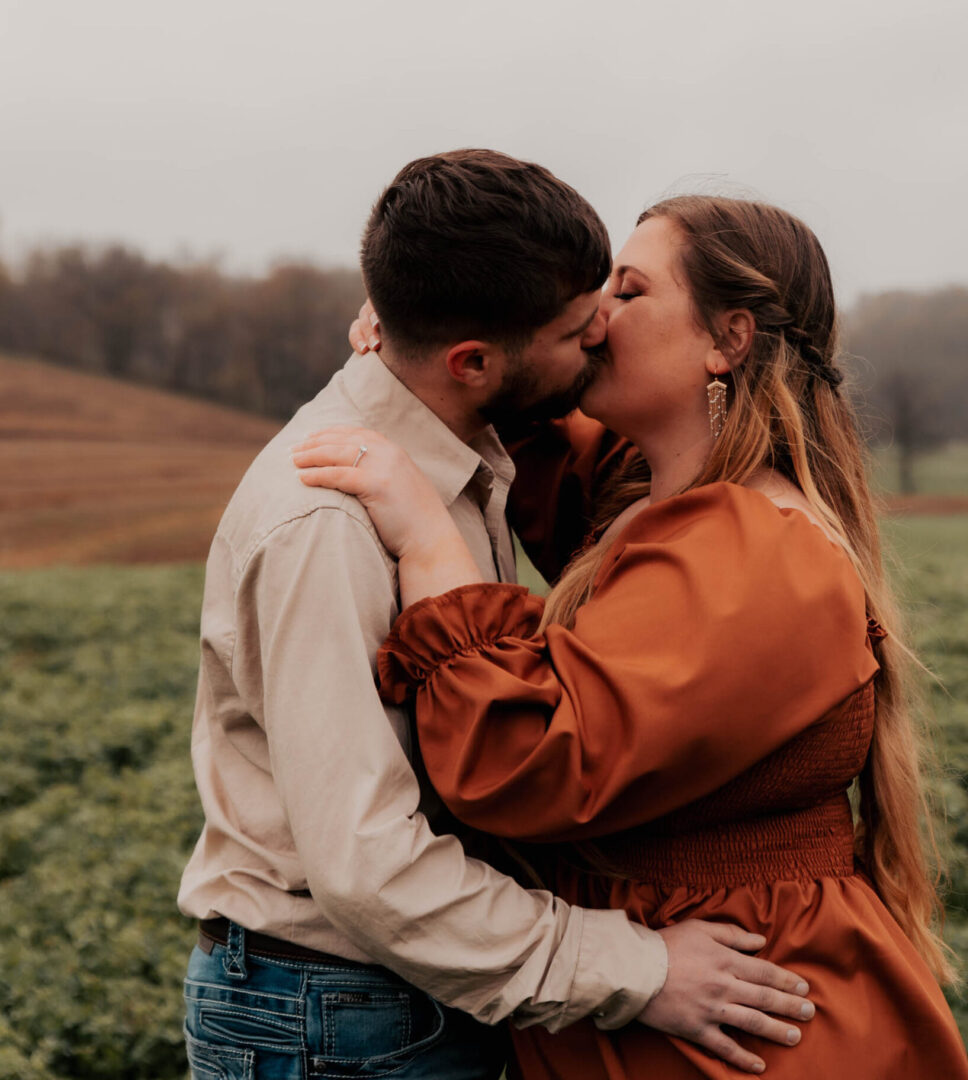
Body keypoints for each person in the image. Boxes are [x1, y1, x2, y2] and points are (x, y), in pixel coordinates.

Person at [294, 195, 968, 1078]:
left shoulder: (754, 556)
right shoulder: (657, 497)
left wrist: (429, 542)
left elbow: (524, 759)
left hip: (740, 1035)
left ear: (725, 340)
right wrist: (453, 340)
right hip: (683, 1014)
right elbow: (543, 426)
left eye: (627, 290)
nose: (593, 315)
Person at [178, 151, 814, 1080]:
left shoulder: (454, 439)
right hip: (340, 1015)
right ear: (473, 361)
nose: (603, 330)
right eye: (577, 327)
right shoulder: (328, 523)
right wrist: (636, 968)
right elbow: (366, 865)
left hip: (409, 989)